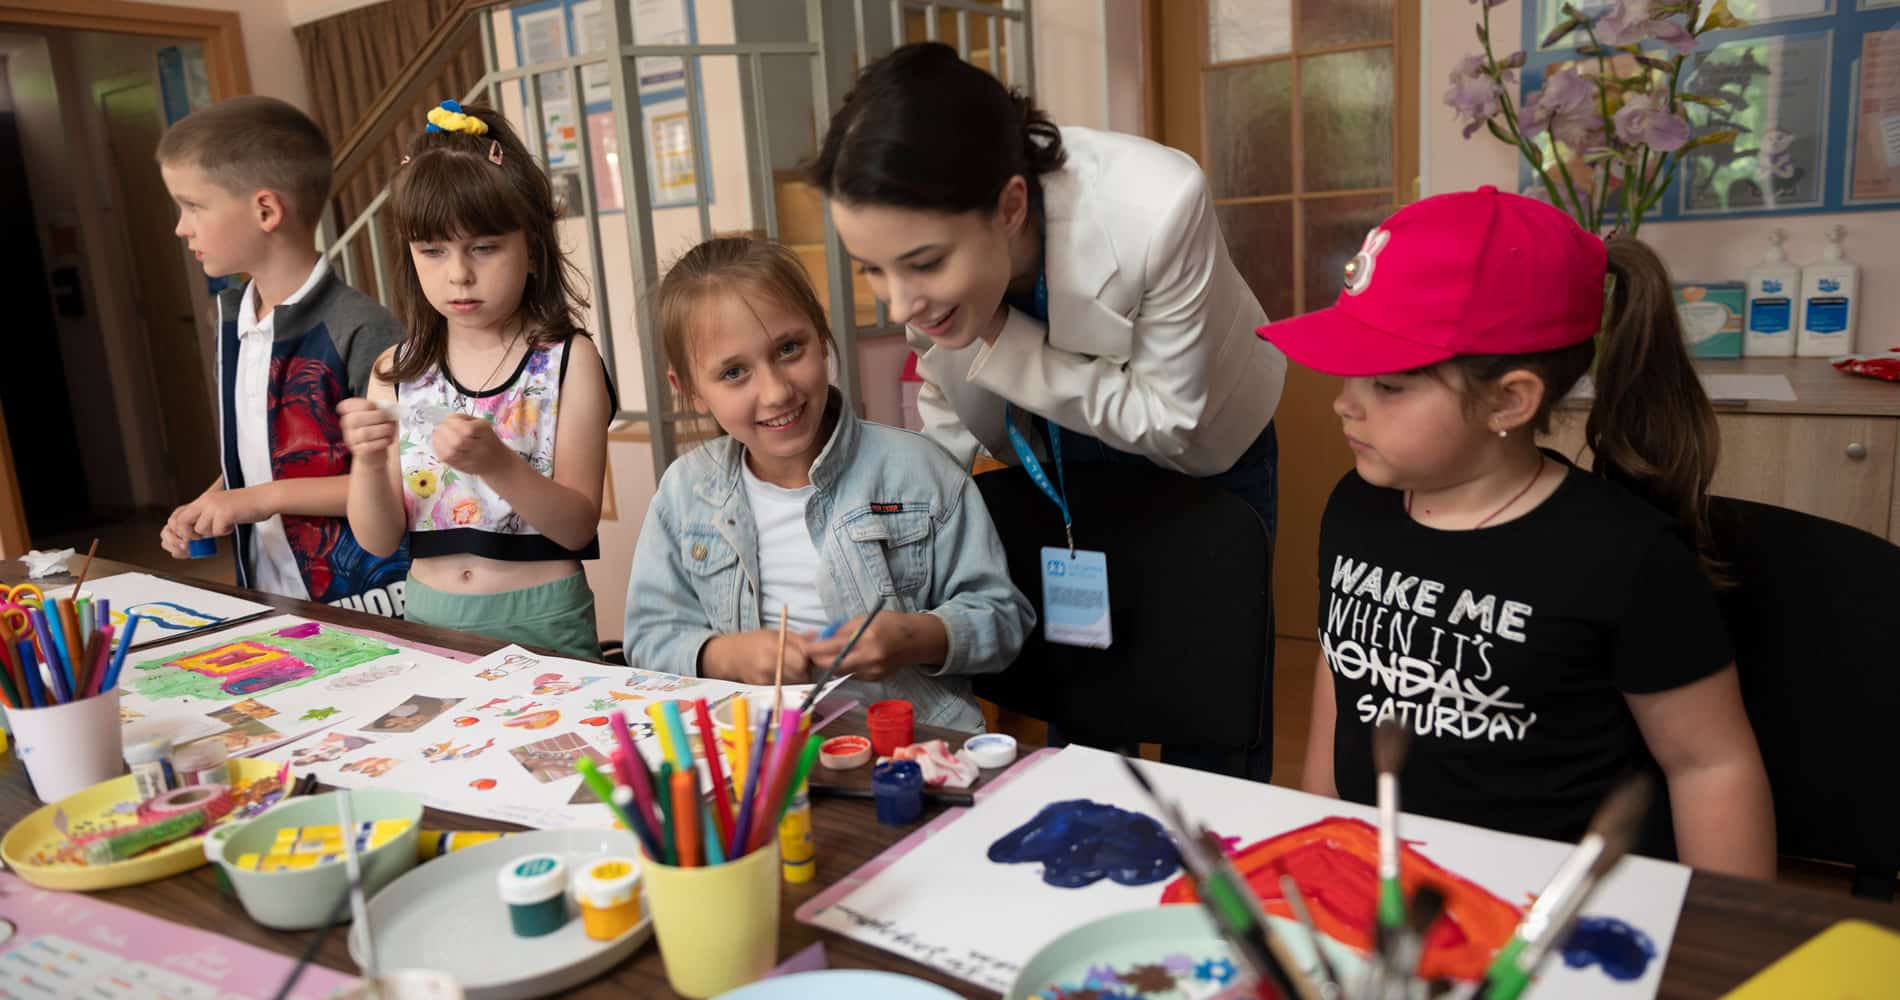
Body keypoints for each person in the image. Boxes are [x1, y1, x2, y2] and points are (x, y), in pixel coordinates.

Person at [1261, 186, 1774, 878]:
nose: (1343, 403)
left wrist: (1729, 943)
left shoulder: (1625, 556)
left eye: (1388, 385)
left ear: (1509, 400)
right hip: (1382, 882)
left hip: (1548, 912)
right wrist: (1319, 822)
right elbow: (1343, 666)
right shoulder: (1356, 505)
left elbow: (1710, 763)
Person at [805, 42, 1285, 536]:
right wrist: (913, 515)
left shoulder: (1158, 207)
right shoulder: (924, 261)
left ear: (1011, 207)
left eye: (925, 263)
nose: (901, 305)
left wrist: (1000, 334)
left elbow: (1168, 418)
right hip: (1053, 453)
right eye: (872, 270)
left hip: (1196, 446)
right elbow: (947, 398)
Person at [623, 235, 1033, 732]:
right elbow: (648, 636)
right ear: (690, 390)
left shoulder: (921, 473)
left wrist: (915, 636)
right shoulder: (684, 493)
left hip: (912, 749)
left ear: (822, 338)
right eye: (734, 373)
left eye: (789, 349)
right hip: (758, 753)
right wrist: (721, 655)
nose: (776, 392)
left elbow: (1003, 620)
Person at [337, 101, 613, 659]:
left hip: (544, 616)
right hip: (429, 616)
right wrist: (367, 462)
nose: (458, 273)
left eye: (483, 248)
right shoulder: (395, 372)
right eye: (432, 250)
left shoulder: (566, 360)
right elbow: (377, 538)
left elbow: (576, 525)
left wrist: (498, 465)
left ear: (531, 249)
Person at [157, 96, 408, 613]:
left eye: (194, 206)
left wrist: (253, 499)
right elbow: (263, 451)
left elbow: (400, 481)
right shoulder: (231, 320)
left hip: (369, 599)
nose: (181, 226)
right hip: (272, 593)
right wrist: (213, 499)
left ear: (266, 210)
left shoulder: (363, 328)